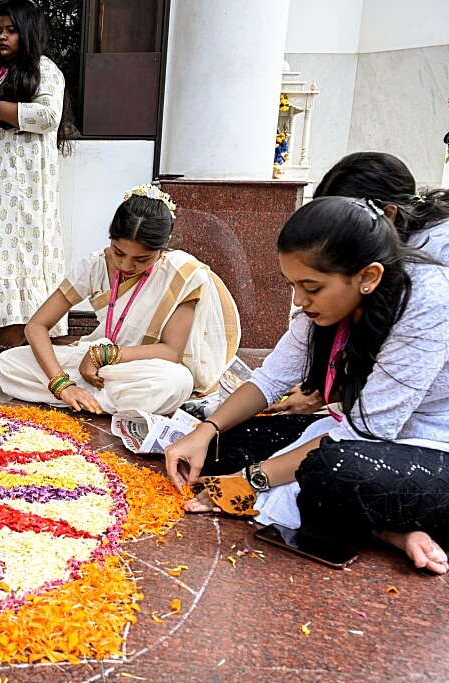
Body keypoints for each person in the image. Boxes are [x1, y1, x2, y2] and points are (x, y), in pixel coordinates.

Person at [165, 197, 449, 575]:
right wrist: (206, 430)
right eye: (293, 286)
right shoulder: (324, 307)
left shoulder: (426, 301)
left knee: (332, 470)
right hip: (353, 433)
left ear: (368, 277)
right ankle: (388, 527)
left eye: (311, 288)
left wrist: (252, 481)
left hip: (428, 443)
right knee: (223, 446)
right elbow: (269, 379)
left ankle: (389, 529)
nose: (300, 301)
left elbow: (366, 432)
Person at [0, 185, 240, 417]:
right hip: (90, 367)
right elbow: (36, 326)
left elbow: (171, 351)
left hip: (139, 368)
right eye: (118, 252)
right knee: (8, 364)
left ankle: (91, 399)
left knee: (176, 381)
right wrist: (61, 384)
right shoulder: (94, 265)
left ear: (163, 248)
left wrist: (103, 355)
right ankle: (89, 398)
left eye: (142, 259)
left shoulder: (181, 274)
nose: (126, 265)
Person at [267, 151, 449, 415]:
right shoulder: (342, 281)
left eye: (313, 287)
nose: (300, 300)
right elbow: (273, 375)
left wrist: (328, 394)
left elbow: (380, 414)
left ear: (387, 215)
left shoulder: (429, 284)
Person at [0, 0, 73, 349]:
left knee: (21, 247)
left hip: (23, 183)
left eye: (11, 30)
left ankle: (24, 323)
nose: (2, 37)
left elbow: (48, 116)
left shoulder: (44, 70)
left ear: (29, 32)